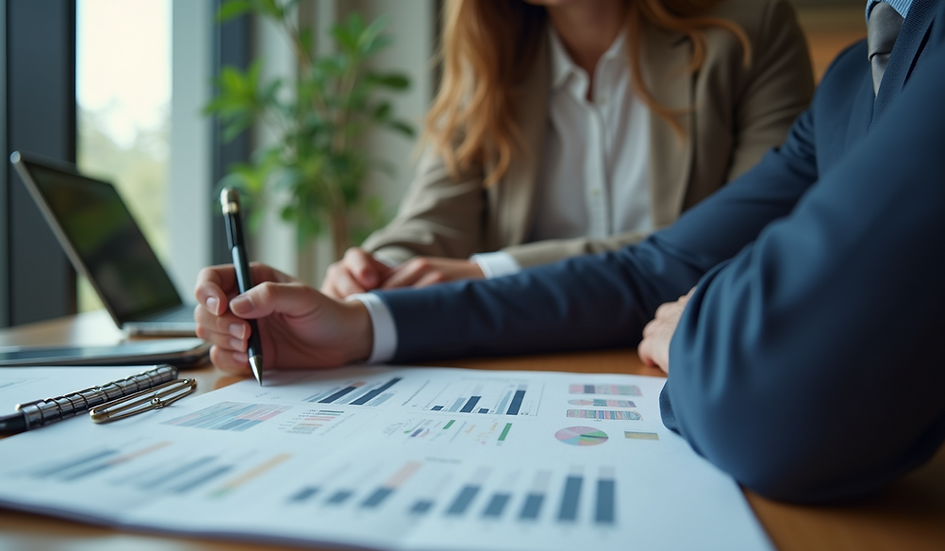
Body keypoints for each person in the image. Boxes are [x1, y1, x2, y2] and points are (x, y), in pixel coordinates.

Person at [194, 0, 945, 504]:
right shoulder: (857, 74)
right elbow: (652, 266)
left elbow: (738, 260)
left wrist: (706, 327)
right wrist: (364, 308)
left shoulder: (749, 31)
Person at [320, 0, 814, 298]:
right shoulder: (493, 54)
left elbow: (749, 238)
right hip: (526, 361)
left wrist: (493, 274)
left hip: (683, 355)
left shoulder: (752, 29)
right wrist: (373, 273)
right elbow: (435, 222)